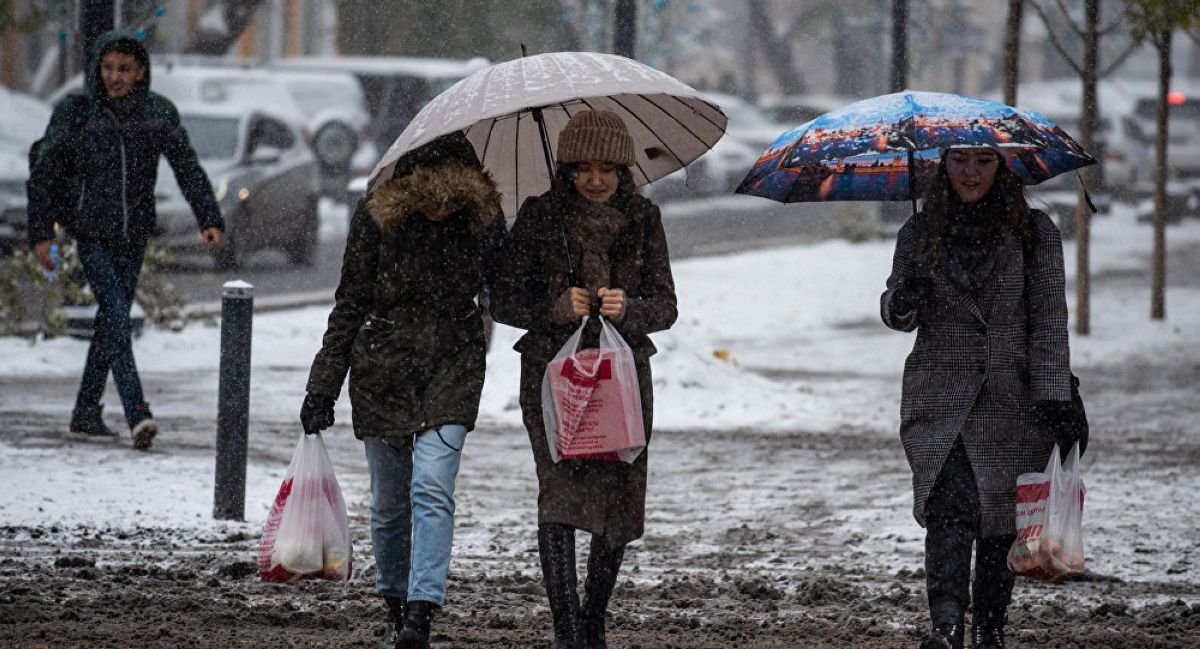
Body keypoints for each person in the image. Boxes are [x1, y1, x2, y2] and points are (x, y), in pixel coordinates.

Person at [300, 132, 506, 649]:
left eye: (450, 197)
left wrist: (526, 251)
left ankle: (420, 613)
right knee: (390, 502)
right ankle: (393, 603)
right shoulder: (376, 220)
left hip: (453, 363)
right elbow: (350, 301)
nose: (439, 208)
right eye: (428, 196)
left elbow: (509, 292)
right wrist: (322, 387)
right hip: (383, 366)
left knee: (433, 486)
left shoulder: (483, 223)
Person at [880, 146, 1088, 649]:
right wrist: (904, 297)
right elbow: (894, 312)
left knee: (999, 524)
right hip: (939, 400)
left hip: (1010, 399)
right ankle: (945, 628)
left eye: (983, 161)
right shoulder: (919, 232)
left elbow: (1048, 322)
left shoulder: (1035, 234)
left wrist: (1056, 396)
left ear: (1003, 167)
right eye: (959, 161)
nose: (970, 173)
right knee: (948, 512)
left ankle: (991, 627)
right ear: (941, 166)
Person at [491, 110, 678, 649]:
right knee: (560, 495)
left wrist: (631, 308)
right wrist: (554, 307)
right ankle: (566, 628)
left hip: (623, 377)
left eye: (608, 169)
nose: (595, 180)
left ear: (625, 171)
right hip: (554, 376)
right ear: (566, 170)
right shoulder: (539, 217)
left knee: (617, 498)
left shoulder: (644, 218)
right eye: (583, 169)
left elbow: (666, 304)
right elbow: (503, 299)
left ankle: (593, 620)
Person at [26, 30, 223, 450]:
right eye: (108, 67)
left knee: (109, 324)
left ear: (141, 73)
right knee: (117, 317)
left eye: (125, 69)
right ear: (97, 69)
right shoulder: (77, 113)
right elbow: (43, 173)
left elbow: (186, 167)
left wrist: (208, 216)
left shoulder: (157, 114)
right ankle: (138, 413)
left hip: (134, 235)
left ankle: (84, 412)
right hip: (91, 232)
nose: (115, 77)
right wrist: (43, 234)